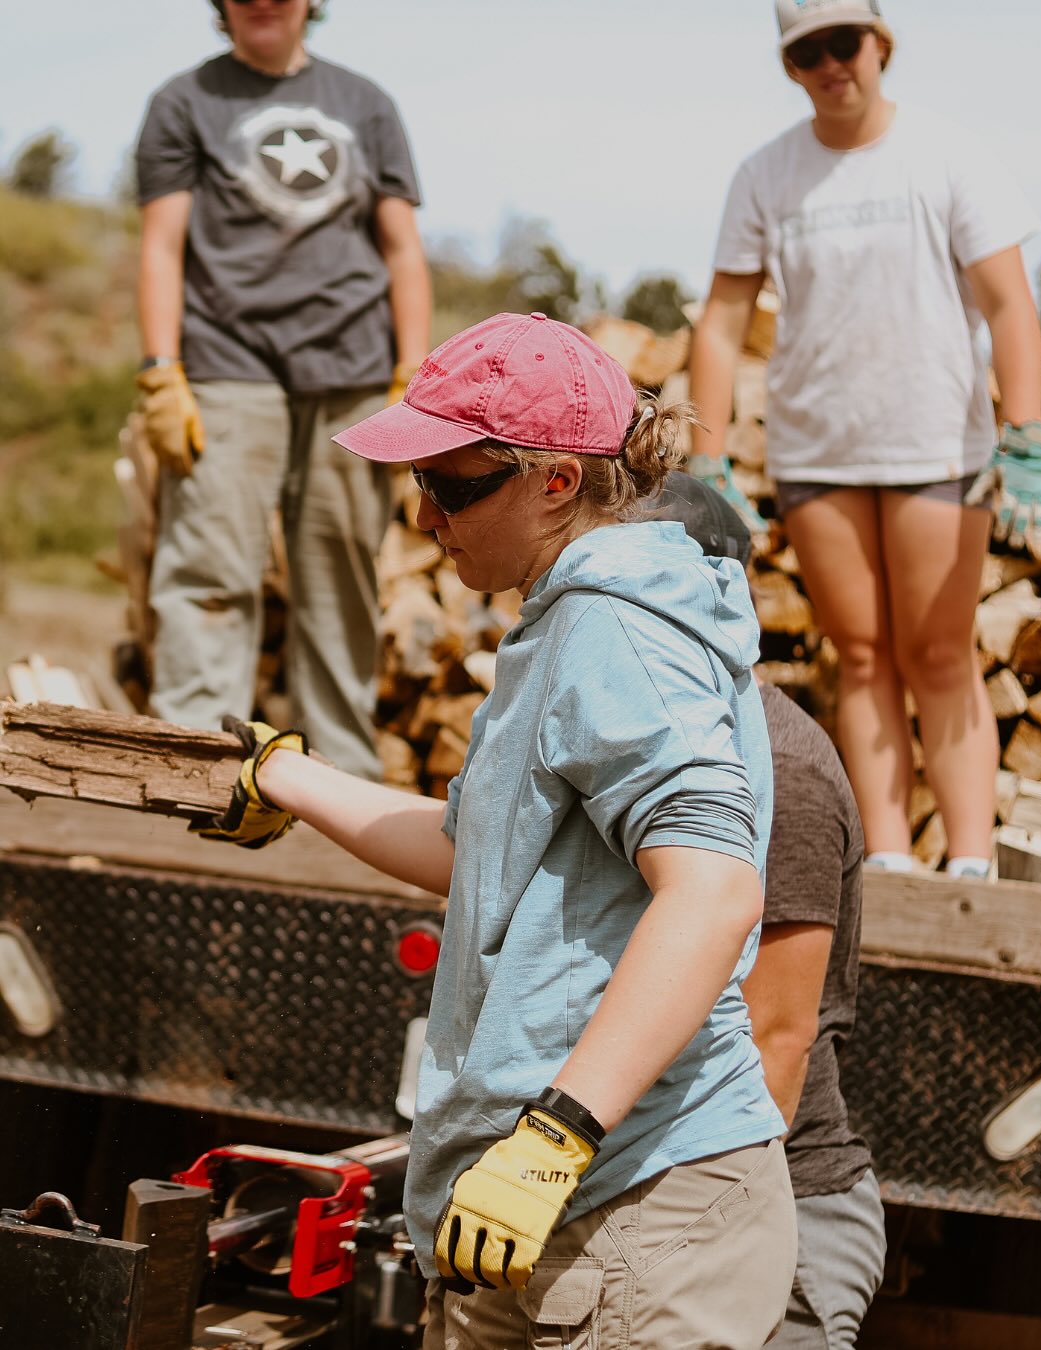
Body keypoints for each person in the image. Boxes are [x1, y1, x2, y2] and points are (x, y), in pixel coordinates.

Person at [198, 312, 797, 1349]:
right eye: (415, 483)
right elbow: (474, 847)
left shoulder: (616, 628)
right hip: (550, 1210)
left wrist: (557, 1134)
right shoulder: (564, 619)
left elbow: (714, 889)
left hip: (637, 1206)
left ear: (556, 482)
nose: (424, 517)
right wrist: (288, 777)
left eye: (452, 485)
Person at [689, 0, 1041, 879]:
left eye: (842, 42)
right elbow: (720, 322)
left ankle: (971, 864)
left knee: (937, 650)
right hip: (819, 451)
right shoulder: (766, 174)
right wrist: (706, 457)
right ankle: (888, 862)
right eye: (807, 50)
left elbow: (1010, 301)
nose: (829, 63)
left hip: (935, 445)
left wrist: (1025, 435)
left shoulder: (948, 156)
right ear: (790, 65)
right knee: (858, 656)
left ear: (879, 44)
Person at [134, 0, 430, 777]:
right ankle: (193, 765)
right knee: (209, 563)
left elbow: (401, 249)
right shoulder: (183, 102)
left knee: (341, 569)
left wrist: (412, 370)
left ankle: (343, 774)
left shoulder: (367, 104)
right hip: (227, 364)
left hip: (356, 370)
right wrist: (162, 371)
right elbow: (162, 248)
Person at [648, 474, 886, 1348]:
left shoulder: (777, 770)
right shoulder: (671, 737)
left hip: (774, 1208)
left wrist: (677, 1239)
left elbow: (773, 1041)